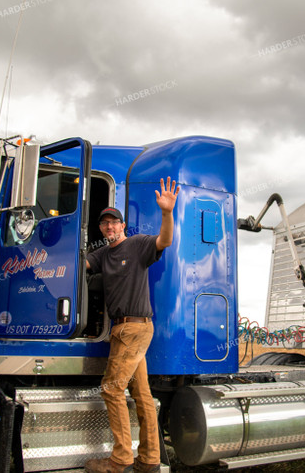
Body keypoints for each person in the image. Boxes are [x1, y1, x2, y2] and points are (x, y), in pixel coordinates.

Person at [83, 176, 180, 473]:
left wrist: (166, 212)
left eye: (114, 223)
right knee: (142, 394)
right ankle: (150, 460)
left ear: (123, 225)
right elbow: (82, 265)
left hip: (135, 328)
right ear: (101, 229)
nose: (110, 227)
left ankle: (120, 459)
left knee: (112, 389)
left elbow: (165, 241)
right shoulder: (103, 254)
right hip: (121, 330)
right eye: (105, 224)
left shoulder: (137, 245)